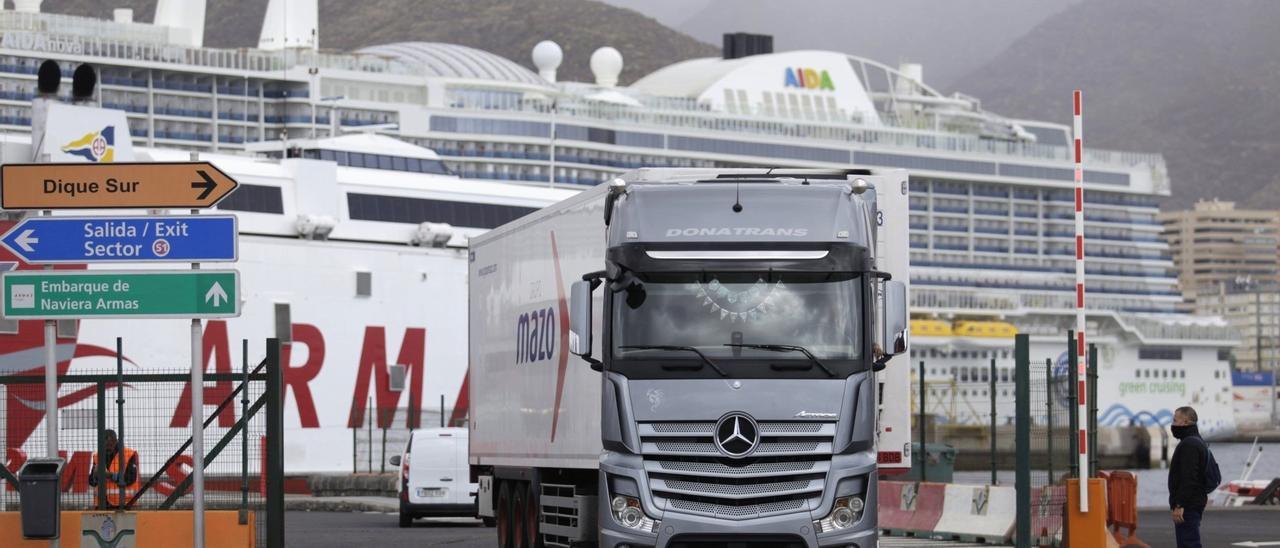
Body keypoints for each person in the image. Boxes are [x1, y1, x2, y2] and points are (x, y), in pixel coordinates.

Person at [1168, 406, 1207, 548]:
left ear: (1185, 422)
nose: (1172, 424)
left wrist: (1180, 505)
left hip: (1188, 505)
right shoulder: (1196, 440)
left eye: (1175, 420)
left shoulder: (1189, 445)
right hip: (1193, 501)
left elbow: (1188, 478)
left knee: (1188, 543)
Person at [89, 429, 140, 509]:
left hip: (124, 504)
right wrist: (95, 476)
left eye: (111, 442)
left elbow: (130, 478)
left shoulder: (128, 454)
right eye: (105, 442)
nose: (108, 445)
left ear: (116, 441)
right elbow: (92, 482)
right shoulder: (97, 456)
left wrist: (110, 475)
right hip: (102, 505)